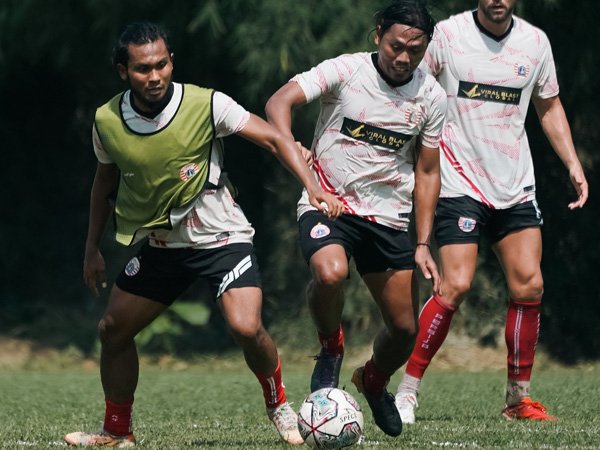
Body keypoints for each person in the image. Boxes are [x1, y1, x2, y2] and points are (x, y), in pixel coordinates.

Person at [64, 21, 343, 448]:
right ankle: (117, 432)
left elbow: (271, 138)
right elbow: (104, 182)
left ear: (171, 60)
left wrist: (311, 184)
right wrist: (91, 248)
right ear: (124, 72)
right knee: (113, 329)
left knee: (246, 327)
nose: (154, 76)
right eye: (142, 69)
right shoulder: (107, 120)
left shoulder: (206, 104)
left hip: (222, 238)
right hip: (163, 245)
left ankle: (279, 406)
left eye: (161, 64)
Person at [394, 0, 589, 424]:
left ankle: (518, 400)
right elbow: (411, 88)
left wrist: (572, 163)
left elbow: (549, 106)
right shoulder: (446, 36)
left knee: (530, 285)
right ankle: (406, 390)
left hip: (514, 185)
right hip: (459, 182)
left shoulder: (536, 43)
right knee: (456, 284)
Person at [265, 1, 446, 437]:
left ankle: (374, 379)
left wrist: (423, 243)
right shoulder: (346, 71)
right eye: (396, 46)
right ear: (378, 33)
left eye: (415, 51)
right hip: (329, 201)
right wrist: (296, 156)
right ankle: (331, 348)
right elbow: (278, 103)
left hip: (387, 216)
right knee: (330, 274)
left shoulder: (431, 97)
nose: (403, 58)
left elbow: (426, 171)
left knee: (404, 330)